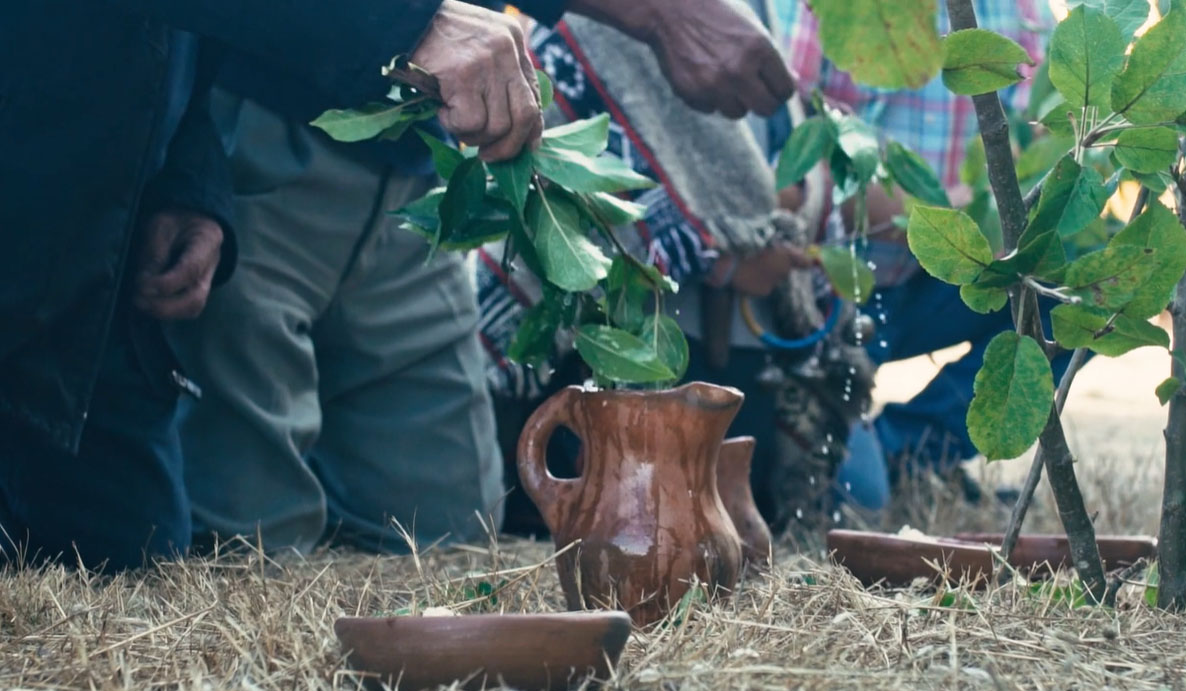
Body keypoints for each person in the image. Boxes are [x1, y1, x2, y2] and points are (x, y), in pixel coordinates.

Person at [0, 0, 793, 572]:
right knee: (242, 542)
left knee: (447, 534)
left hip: (408, 175)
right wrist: (406, 20)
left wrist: (188, 179)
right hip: (265, 131)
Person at [484, 1, 872, 539]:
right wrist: (721, 256)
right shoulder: (606, 17)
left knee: (774, 496)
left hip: (746, 339)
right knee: (638, 496)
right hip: (620, 330)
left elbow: (779, 154)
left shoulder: (765, 13)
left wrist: (771, 227)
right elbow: (574, 166)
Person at [771, 0, 1057, 510]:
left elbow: (1048, 137)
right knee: (846, 499)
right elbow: (789, 159)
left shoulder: (1020, 7)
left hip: (944, 280)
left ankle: (909, 453)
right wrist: (944, 220)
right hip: (831, 293)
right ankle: (863, 460)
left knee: (1076, 279)